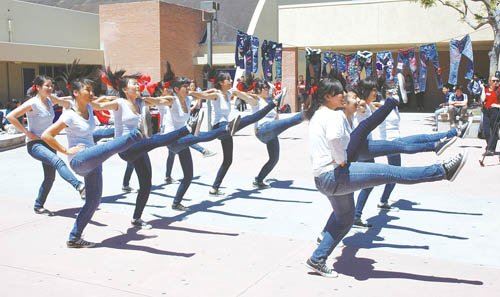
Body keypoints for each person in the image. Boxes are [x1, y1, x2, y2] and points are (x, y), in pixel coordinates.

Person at [305, 78, 467, 277]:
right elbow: (334, 139)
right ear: (328, 96)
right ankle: (442, 171)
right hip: (335, 174)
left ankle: (317, 259)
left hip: (322, 179)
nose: (343, 95)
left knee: (345, 219)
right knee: (392, 172)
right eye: (339, 93)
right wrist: (341, 160)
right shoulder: (333, 116)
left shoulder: (318, 115)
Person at [41, 76, 144, 248]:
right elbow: (46, 135)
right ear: (75, 92)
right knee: (110, 147)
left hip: (94, 161)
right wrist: (65, 150)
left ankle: (74, 238)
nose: (91, 93)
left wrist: (114, 98)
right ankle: (138, 134)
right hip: (80, 160)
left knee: (94, 201)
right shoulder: (69, 115)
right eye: (87, 90)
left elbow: (103, 102)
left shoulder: (89, 107)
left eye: (91, 89)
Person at [6, 76, 85, 215]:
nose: (50, 88)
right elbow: (11, 116)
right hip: (35, 144)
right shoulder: (32, 103)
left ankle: (38, 205)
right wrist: (26, 132)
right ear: (38, 87)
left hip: (49, 142)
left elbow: (64, 101)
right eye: (47, 86)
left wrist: (75, 99)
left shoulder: (50, 100)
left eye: (51, 86)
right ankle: (79, 186)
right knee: (58, 161)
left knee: (50, 178)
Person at [251, 78, 304, 189]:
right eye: (265, 88)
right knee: (291, 121)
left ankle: (259, 180)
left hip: (271, 131)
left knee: (274, 159)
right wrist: (234, 92)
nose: (267, 90)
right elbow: (245, 95)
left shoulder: (270, 102)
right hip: (263, 129)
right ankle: (310, 112)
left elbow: (276, 115)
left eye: (267, 88)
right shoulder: (256, 100)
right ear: (259, 90)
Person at [481, 76, 500, 156]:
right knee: (486, 131)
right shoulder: (485, 89)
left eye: (497, 80)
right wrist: (482, 88)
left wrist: (497, 105)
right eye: (494, 80)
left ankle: (491, 149)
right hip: (486, 111)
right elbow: (482, 99)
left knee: (494, 130)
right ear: (490, 81)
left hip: (495, 111)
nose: (496, 82)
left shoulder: (498, 90)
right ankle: (489, 146)